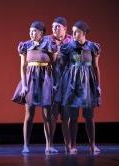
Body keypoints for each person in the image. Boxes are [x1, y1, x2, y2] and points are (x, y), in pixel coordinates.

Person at [12, 21, 57, 154]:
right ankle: (25, 145)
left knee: (47, 115)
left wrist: (54, 83)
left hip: (45, 81)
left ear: (41, 33)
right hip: (31, 80)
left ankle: (49, 145)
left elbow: (53, 65)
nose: (32, 34)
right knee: (29, 114)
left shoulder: (49, 44)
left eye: (34, 31)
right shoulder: (25, 46)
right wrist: (24, 85)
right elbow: (23, 67)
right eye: (30, 31)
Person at [56, 20, 101, 154]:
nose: (74, 34)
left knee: (89, 116)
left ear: (84, 33)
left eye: (77, 32)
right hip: (72, 83)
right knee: (73, 116)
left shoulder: (92, 47)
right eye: (73, 31)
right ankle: (73, 145)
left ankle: (92, 144)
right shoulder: (68, 46)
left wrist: (98, 85)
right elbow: (62, 66)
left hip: (87, 83)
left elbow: (95, 67)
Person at [45, 16, 73, 153]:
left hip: (67, 82)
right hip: (52, 81)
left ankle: (68, 145)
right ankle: (49, 145)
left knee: (66, 116)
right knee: (52, 115)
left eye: (58, 27)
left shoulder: (72, 41)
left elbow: (77, 59)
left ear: (65, 28)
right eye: (53, 27)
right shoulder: (47, 40)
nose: (55, 29)